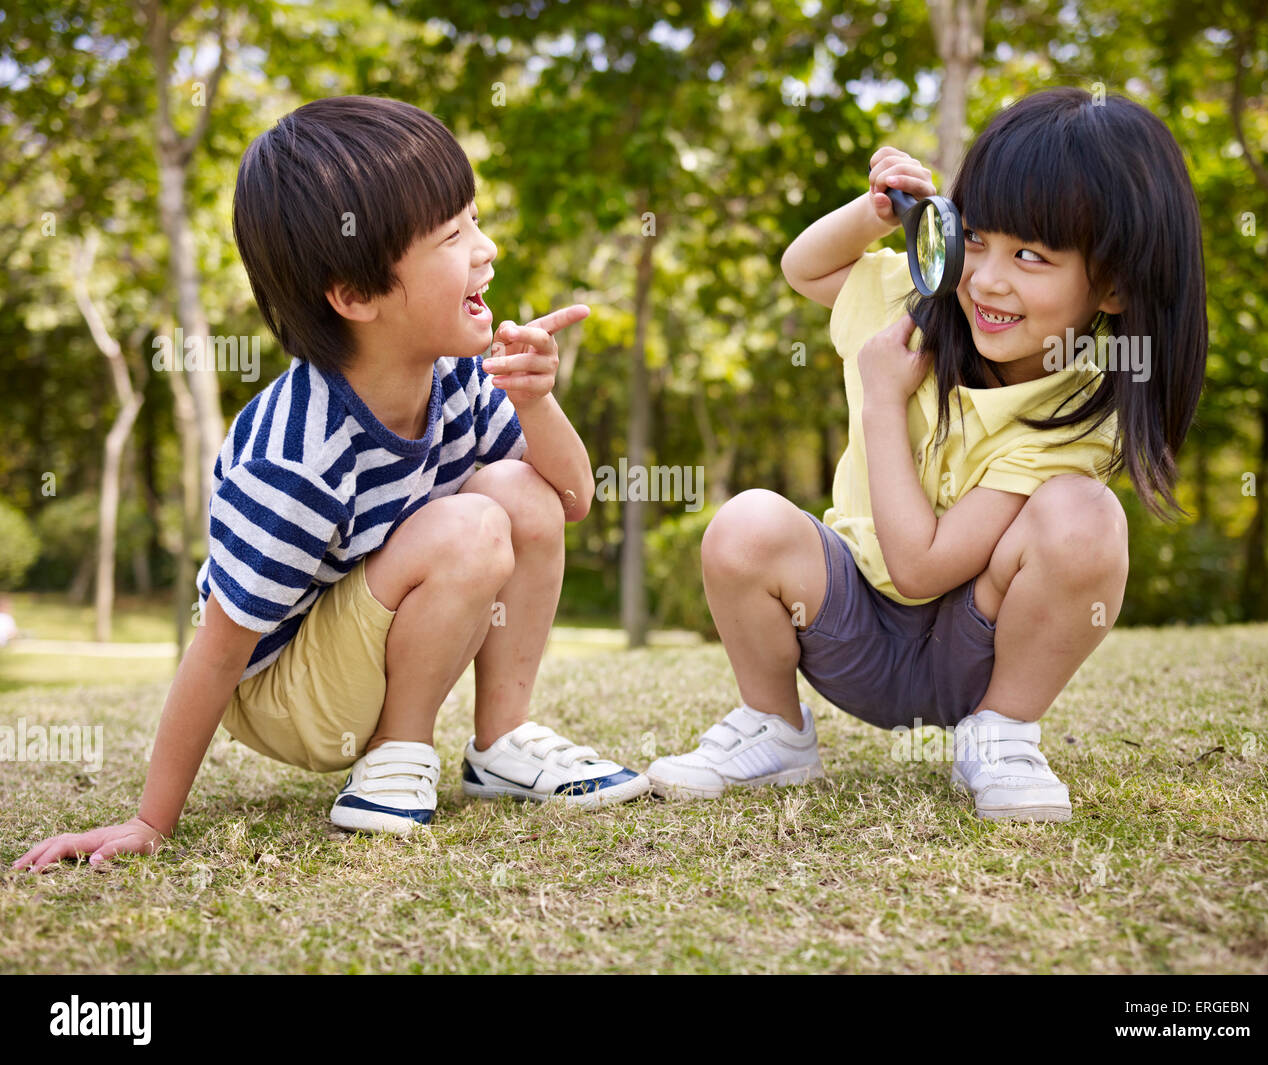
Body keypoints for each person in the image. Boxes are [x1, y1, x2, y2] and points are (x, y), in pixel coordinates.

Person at [14, 96, 648, 872]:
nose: (487, 249)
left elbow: (569, 501)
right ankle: (398, 750)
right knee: (472, 526)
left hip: (365, 633)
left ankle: (502, 742)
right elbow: (218, 648)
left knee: (517, 490)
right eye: (454, 235)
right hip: (286, 691)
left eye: (475, 221)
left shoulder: (459, 381)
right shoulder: (298, 457)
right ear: (355, 294)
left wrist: (537, 401)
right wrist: (150, 820)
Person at [647, 87, 1207, 821]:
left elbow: (921, 568)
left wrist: (882, 402)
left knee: (1086, 517)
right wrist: (876, 213)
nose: (988, 278)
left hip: (967, 652)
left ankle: (1002, 734)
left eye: (1031, 255)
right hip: (847, 630)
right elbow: (805, 269)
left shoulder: (1076, 411)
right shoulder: (915, 310)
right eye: (976, 237)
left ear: (1111, 285)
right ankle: (774, 727)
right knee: (745, 522)